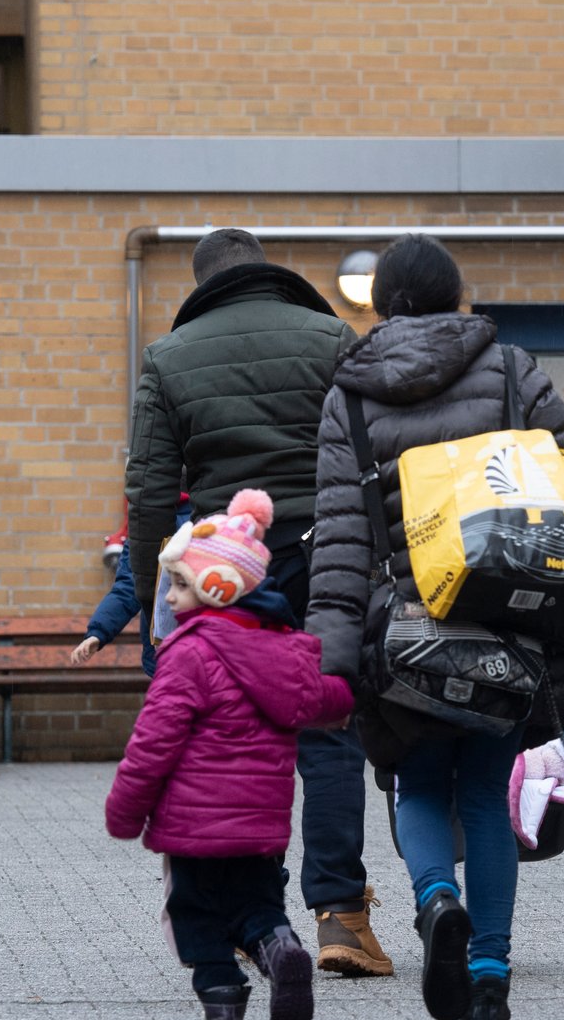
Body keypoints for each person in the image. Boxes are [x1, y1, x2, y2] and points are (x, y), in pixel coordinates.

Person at [307, 233, 564, 1020]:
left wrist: (331, 662)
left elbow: (338, 541)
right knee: (487, 797)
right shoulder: (510, 370)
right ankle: (491, 977)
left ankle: (437, 902)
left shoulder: (350, 398)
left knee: (418, 782)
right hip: (505, 625)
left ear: (378, 303)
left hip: (402, 634)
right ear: (457, 295)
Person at [123, 228, 392, 977]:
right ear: (270, 274)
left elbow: (148, 490)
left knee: (235, 736)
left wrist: (159, 592)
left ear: (202, 284)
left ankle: (255, 918)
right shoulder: (330, 335)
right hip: (330, 553)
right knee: (331, 729)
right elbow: (374, 455)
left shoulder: (168, 357)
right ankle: (340, 916)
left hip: (226, 568)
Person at [105, 490, 355, 1020]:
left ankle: (222, 1018)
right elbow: (328, 698)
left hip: (192, 829)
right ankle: (278, 946)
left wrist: (125, 809)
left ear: (217, 587)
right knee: (257, 905)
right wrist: (350, 694)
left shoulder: (187, 655)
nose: (169, 597)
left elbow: (153, 742)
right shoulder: (286, 651)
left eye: (179, 586)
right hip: (260, 830)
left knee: (194, 916)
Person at [71, 494, 191, 675]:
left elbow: (127, 586)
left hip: (184, 650)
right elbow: (128, 586)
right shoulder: (145, 520)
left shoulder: (208, 518)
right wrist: (98, 631)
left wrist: (98, 631)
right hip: (167, 654)